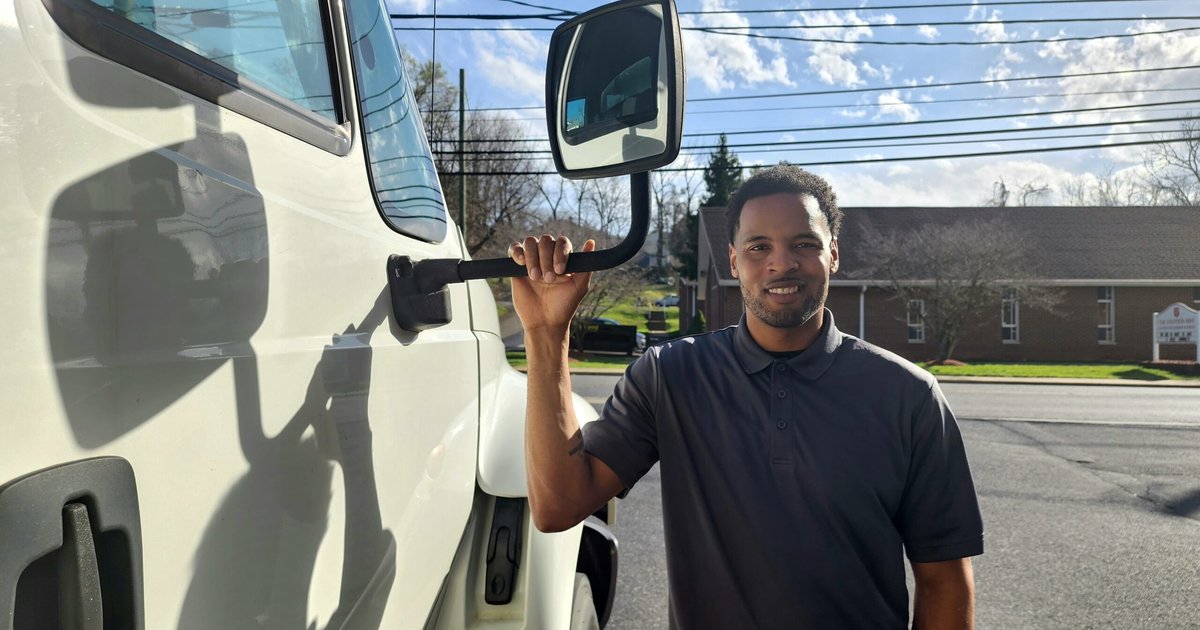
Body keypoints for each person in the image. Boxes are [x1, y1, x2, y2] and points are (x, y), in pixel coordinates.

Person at [510, 165, 983, 629]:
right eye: (759, 247)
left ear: (833, 254)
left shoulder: (909, 395)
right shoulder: (669, 376)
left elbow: (945, 581)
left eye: (804, 244)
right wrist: (546, 333)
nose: (782, 263)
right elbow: (558, 507)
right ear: (734, 260)